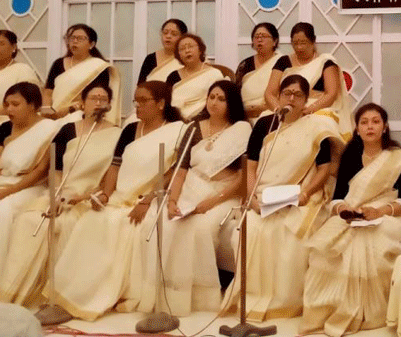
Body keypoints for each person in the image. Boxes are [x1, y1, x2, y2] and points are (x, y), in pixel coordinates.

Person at [53, 81, 186, 321]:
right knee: (91, 221)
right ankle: (72, 296)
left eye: (144, 101)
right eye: (136, 100)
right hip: (120, 196)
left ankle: (115, 293)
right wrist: (104, 194)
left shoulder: (178, 130)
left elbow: (174, 172)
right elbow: (115, 166)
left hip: (155, 196)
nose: (138, 106)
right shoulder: (130, 129)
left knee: (123, 225)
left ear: (161, 104)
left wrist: (147, 200)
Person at [222, 75, 343, 321]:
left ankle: (286, 303)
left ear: (306, 99)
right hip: (263, 196)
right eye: (286, 93)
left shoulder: (315, 126)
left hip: (298, 196)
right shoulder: (264, 124)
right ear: (278, 97)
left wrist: (307, 193)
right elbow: (251, 167)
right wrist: (253, 197)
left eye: (297, 95)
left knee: (289, 235)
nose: (291, 98)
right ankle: (252, 298)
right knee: (248, 231)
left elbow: (323, 169)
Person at [137, 80, 250, 316]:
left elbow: (242, 178)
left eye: (221, 98)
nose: (214, 103)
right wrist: (171, 201)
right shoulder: (194, 128)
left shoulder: (241, 130)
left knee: (201, 227)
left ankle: (200, 299)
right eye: (211, 97)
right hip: (191, 186)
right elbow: (181, 169)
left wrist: (212, 201)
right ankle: (169, 295)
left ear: (231, 103)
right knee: (164, 224)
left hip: (223, 192)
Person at [0, 84, 119, 306]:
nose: (98, 103)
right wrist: (55, 195)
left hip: (89, 196)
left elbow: (112, 172)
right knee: (28, 221)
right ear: (83, 103)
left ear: (110, 104)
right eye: (93, 98)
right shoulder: (67, 130)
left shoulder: (117, 134)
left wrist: (89, 194)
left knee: (67, 225)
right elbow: (54, 169)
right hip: (60, 192)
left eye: (103, 99)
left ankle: (63, 298)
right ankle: (16, 293)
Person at [299, 103, 401, 336]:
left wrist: (379, 212)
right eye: (364, 122)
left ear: (385, 127)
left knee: (366, 242)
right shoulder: (349, 156)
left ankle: (371, 315)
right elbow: (338, 197)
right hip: (351, 215)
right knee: (323, 250)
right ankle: (330, 311)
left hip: (386, 217)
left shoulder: (399, 159)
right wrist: (344, 210)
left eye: (375, 121)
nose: (370, 126)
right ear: (357, 129)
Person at [0, 83, 58, 263]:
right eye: (7, 104)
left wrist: (9, 191)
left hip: (31, 187)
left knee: (4, 209)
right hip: (4, 180)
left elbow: (41, 171)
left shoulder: (50, 128)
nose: (9, 109)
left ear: (33, 105)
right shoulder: (4, 128)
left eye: (15, 104)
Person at [263, 22, 351, 138]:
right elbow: (270, 93)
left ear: (313, 41)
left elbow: (331, 94)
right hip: (286, 108)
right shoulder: (283, 61)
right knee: (264, 120)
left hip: (316, 109)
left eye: (303, 43)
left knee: (321, 124)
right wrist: (279, 109)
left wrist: (309, 110)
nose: (299, 47)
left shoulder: (325, 62)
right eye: (295, 43)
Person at [43, 24, 121, 121]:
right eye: (72, 38)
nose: (75, 41)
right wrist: (47, 109)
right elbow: (48, 91)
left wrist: (69, 110)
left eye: (80, 38)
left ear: (91, 44)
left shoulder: (98, 67)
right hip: (52, 114)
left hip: (80, 115)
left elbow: (98, 96)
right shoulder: (58, 63)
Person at [166, 33, 224, 121]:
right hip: (174, 120)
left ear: (200, 50)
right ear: (179, 55)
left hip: (203, 120)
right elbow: (166, 103)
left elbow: (218, 104)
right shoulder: (173, 76)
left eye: (190, 46)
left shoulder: (214, 74)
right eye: (182, 49)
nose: (187, 51)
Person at [235, 22, 280, 122]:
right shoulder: (245, 64)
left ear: (274, 41)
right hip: (245, 114)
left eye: (264, 36)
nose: (259, 39)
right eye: (256, 37)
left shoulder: (282, 61)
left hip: (271, 112)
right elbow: (235, 92)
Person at [0, 30, 41, 123]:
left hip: (10, 123)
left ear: (13, 47)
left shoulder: (22, 70)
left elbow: (27, 103)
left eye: (1, 44)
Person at [136, 19, 187, 84]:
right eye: (165, 33)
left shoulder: (186, 58)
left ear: (183, 37)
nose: (168, 36)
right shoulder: (150, 59)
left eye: (174, 34)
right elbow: (140, 86)